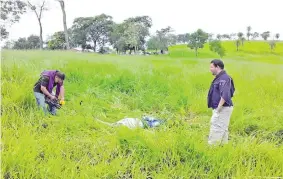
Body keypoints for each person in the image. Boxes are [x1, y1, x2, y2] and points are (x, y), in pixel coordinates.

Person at [207, 59, 235, 145]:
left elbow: (225, 95)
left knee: (216, 129)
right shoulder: (220, 78)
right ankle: (223, 148)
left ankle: (212, 150)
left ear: (217, 67)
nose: (210, 69)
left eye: (211, 67)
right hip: (221, 108)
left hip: (222, 108)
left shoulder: (224, 78)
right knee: (223, 130)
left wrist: (218, 110)